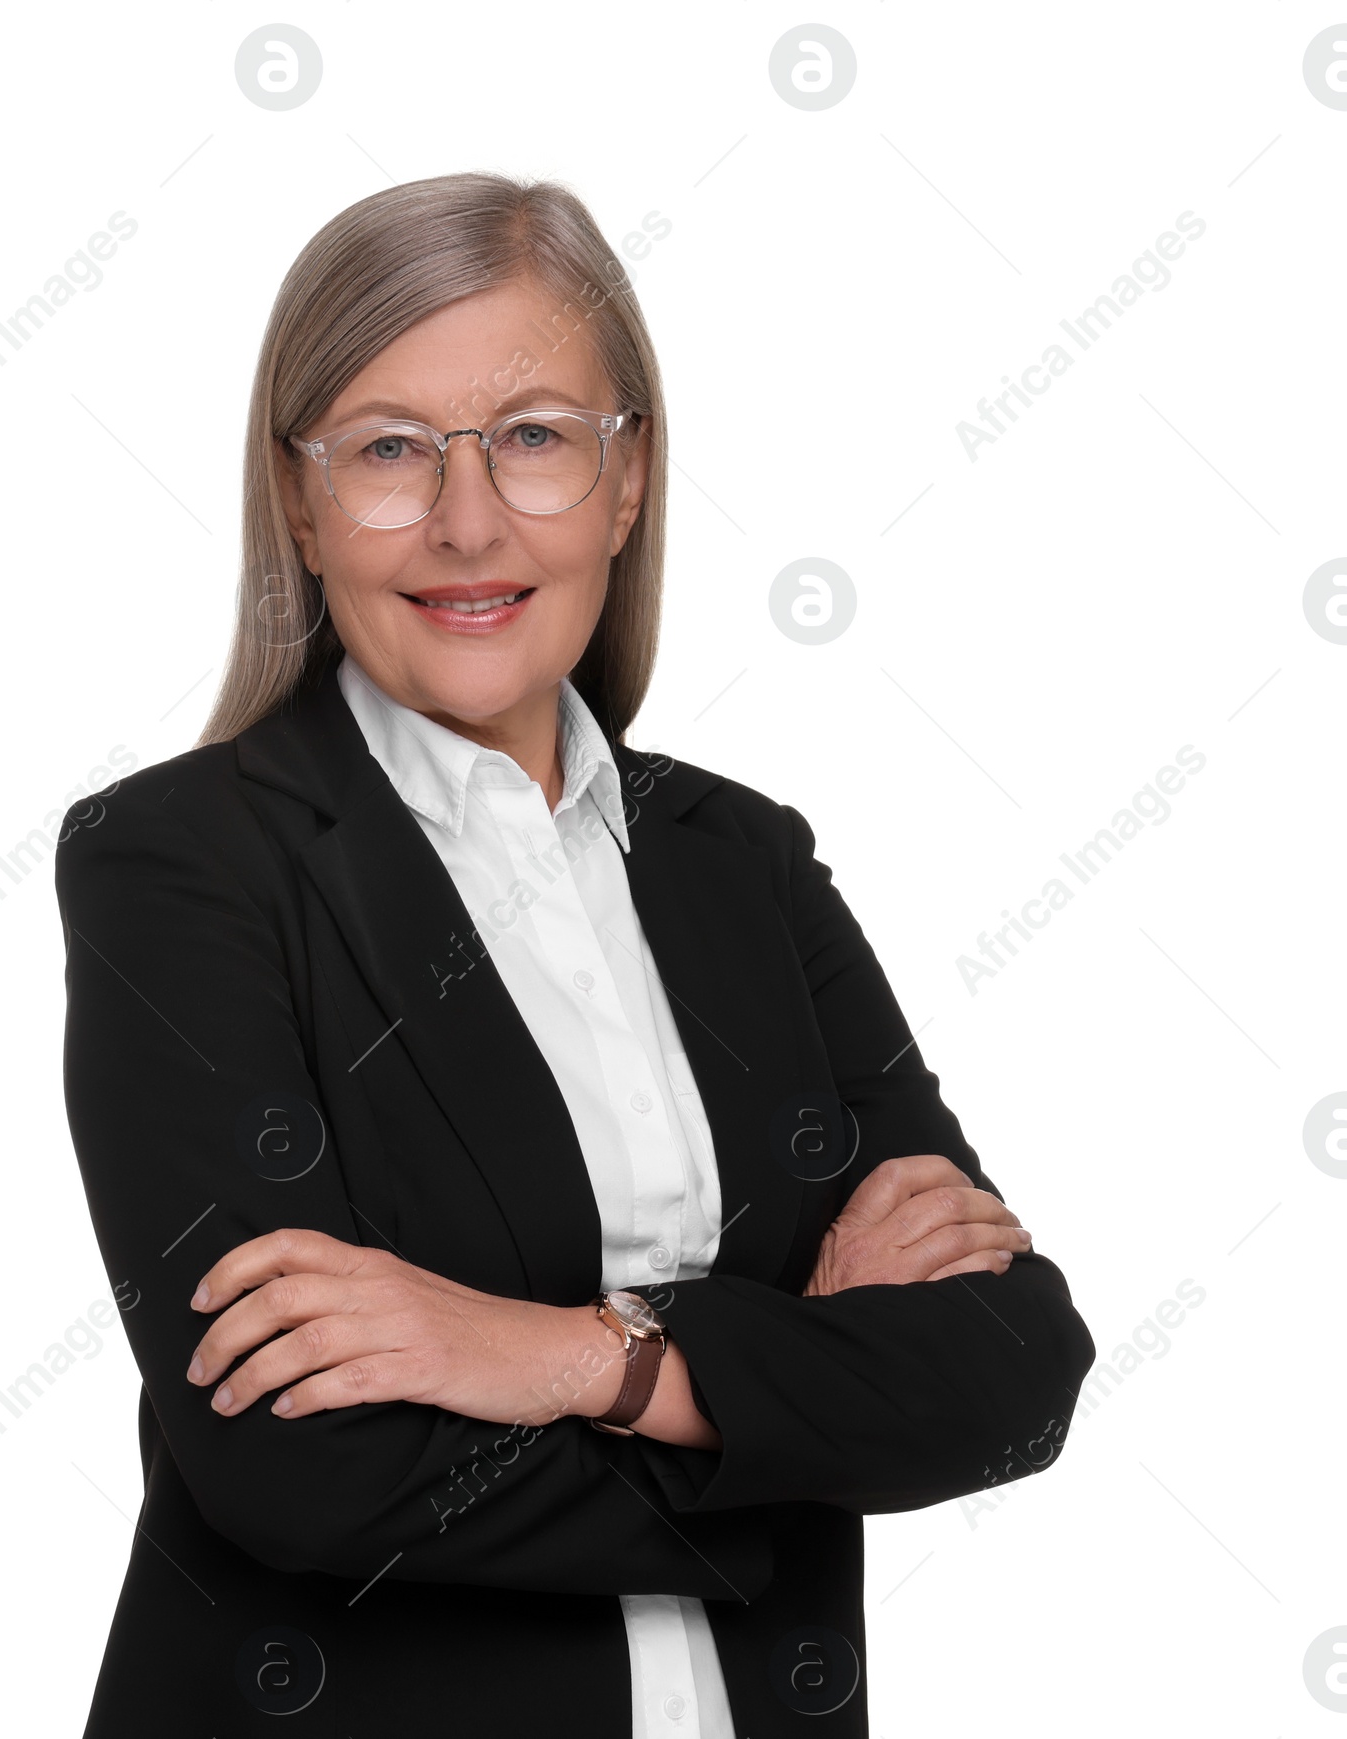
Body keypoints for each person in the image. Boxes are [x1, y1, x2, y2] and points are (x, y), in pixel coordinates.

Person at [53, 170, 1095, 1738]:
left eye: (534, 438)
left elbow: (1013, 1368)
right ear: (299, 502)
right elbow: (304, 1470)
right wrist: (800, 1413)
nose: (469, 521)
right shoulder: (185, 866)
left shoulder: (745, 862)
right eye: (392, 450)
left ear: (627, 482)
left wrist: (558, 1357)